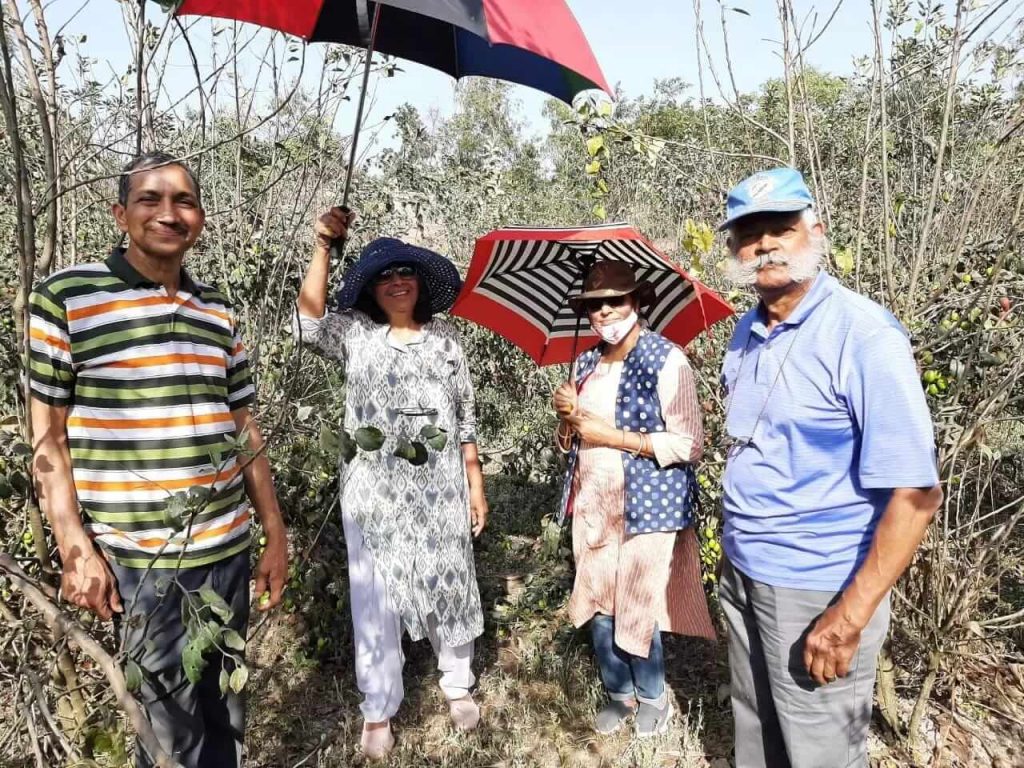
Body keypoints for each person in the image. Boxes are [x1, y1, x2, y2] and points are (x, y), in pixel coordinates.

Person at [28, 152, 289, 768]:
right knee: (168, 737)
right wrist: (74, 548)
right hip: (142, 563)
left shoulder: (217, 309)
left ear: (200, 218)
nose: (169, 213)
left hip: (226, 552)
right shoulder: (69, 296)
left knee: (226, 718)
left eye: (184, 201)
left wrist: (273, 531)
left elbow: (244, 426)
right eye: (150, 199)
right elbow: (49, 439)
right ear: (121, 213)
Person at [717, 167, 943, 768]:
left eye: (780, 228)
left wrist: (849, 614)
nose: (764, 244)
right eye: (748, 233)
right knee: (757, 730)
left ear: (814, 230)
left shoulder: (864, 335)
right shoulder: (745, 330)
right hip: (743, 570)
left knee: (819, 754)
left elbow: (916, 494)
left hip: (818, 586)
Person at [293, 209, 488, 759]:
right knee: (374, 598)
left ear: (420, 281)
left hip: (440, 486)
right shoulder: (356, 335)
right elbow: (307, 324)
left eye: (405, 271)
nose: (397, 281)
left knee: (449, 577)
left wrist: (475, 483)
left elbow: (465, 417)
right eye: (384, 275)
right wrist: (323, 248)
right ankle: (378, 705)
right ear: (372, 289)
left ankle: (457, 682)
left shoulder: (447, 340)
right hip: (373, 491)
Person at [551, 260, 715, 738]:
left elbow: (689, 445)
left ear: (638, 302)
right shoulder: (583, 364)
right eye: (595, 305)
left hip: (649, 502)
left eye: (615, 302)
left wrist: (614, 435)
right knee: (600, 599)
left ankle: (653, 696)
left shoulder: (667, 360)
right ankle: (618, 694)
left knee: (638, 599)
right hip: (595, 500)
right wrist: (566, 418)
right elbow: (571, 443)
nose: (604, 312)